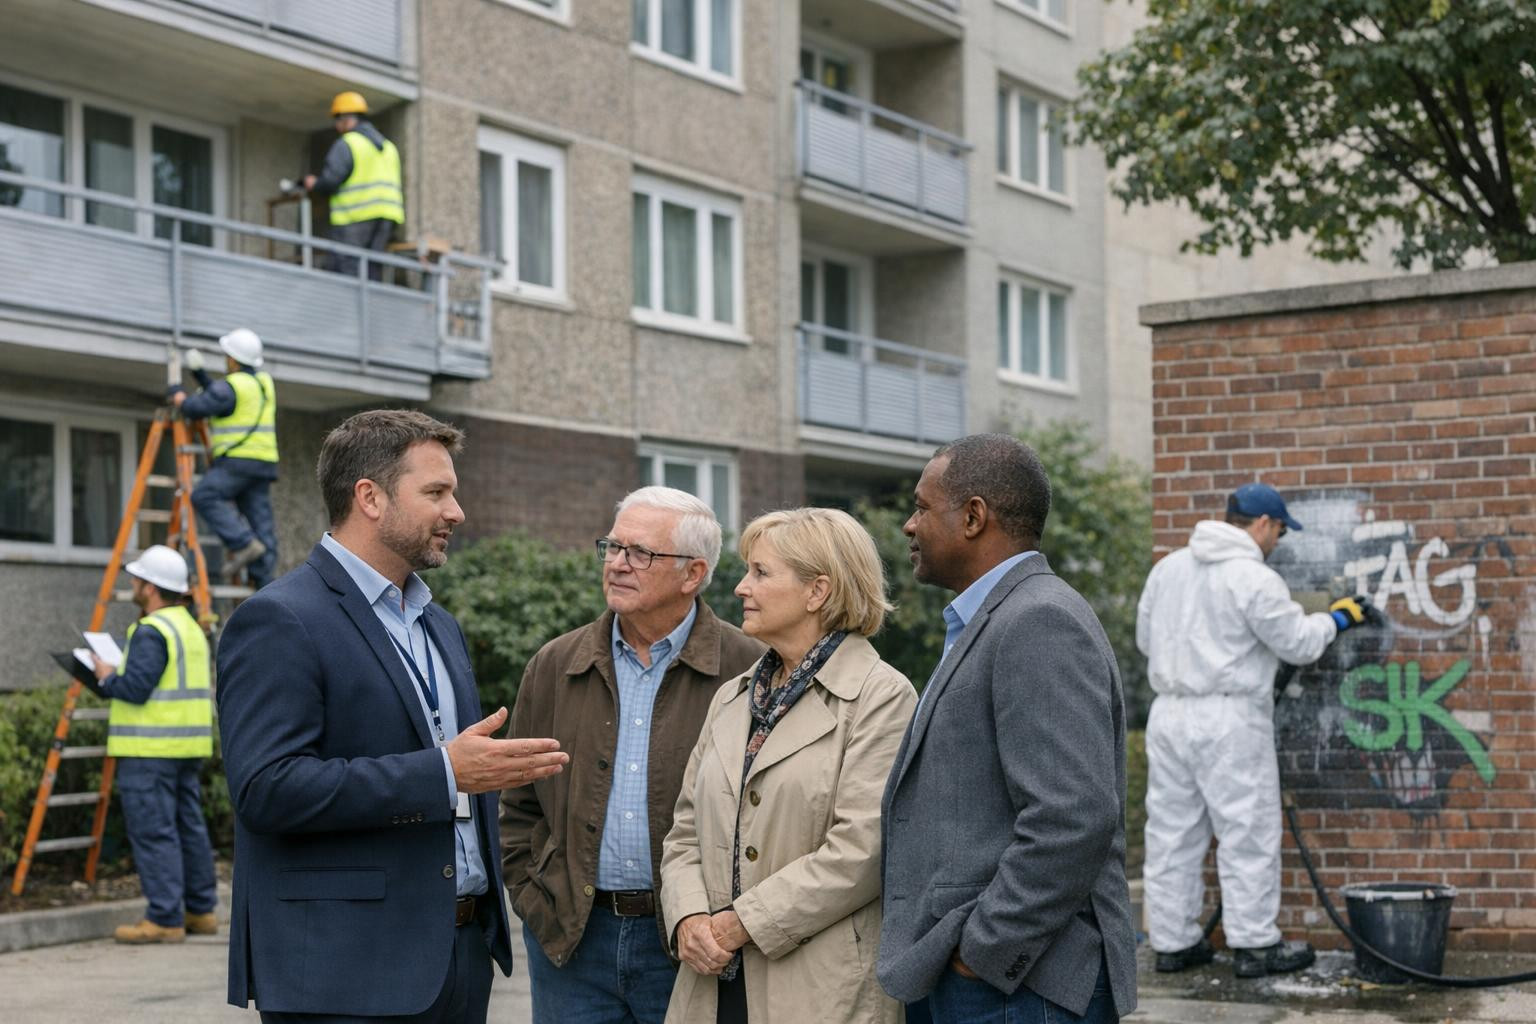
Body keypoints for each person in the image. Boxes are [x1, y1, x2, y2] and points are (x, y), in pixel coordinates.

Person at [216, 409, 569, 1022]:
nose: (456, 512)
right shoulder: (280, 619)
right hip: (344, 973)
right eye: (436, 492)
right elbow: (266, 789)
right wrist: (443, 774)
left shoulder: (438, 623)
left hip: (458, 957)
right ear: (370, 497)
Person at [878, 433, 1137, 1023]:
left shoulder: (1037, 620)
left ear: (973, 517)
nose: (908, 526)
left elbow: (1072, 816)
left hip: (1018, 987)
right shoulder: (993, 619)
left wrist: (983, 951)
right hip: (981, 980)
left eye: (921, 506)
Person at [501, 486, 764, 1024]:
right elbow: (518, 801)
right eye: (613, 548)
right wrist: (536, 900)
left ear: (693, 574)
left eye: (640, 553)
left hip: (694, 943)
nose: (618, 564)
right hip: (573, 942)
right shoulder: (555, 663)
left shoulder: (752, 667)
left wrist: (726, 923)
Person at [661, 508, 916, 1024]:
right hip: (710, 984)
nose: (740, 588)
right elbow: (684, 831)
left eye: (760, 572)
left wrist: (738, 925)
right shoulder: (733, 697)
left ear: (817, 591)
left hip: (820, 989)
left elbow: (860, 854)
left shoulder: (882, 697)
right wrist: (687, 918)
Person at [1136, 483, 1368, 979]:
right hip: (1229, 718)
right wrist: (1337, 619)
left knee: (1172, 833)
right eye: (1280, 531)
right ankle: (1255, 945)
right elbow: (1299, 643)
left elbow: (1143, 639)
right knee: (1248, 831)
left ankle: (1173, 943)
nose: (1278, 542)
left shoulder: (1168, 569)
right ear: (1262, 524)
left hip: (1170, 712)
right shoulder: (1252, 577)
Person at [90, 544, 217, 945]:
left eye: (138, 579)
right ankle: (200, 911)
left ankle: (164, 918)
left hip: (150, 752)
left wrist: (106, 676)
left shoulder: (151, 630)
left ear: (151, 587)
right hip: (186, 748)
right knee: (189, 829)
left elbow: (136, 688)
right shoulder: (190, 628)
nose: (133, 584)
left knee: (155, 832)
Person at [174, 328, 278, 587]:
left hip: (237, 461)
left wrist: (179, 398)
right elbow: (222, 395)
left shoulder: (231, 387)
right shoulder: (263, 383)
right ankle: (265, 583)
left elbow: (198, 407)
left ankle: (243, 543)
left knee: (204, 496)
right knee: (261, 524)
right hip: (262, 464)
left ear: (232, 359)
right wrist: (200, 376)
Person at [302, 91, 403, 280]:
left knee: (346, 267)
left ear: (347, 119)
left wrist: (315, 184)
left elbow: (331, 180)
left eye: (337, 120)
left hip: (355, 217)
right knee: (372, 269)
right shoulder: (389, 147)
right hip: (386, 217)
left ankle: (346, 309)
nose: (336, 126)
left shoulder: (348, 143)